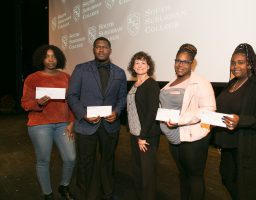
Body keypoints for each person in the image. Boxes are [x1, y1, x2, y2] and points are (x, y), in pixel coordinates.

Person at [213, 43, 256, 200]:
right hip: (229, 145)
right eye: (233, 63)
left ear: (250, 64)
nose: (235, 66)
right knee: (227, 178)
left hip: (248, 148)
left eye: (240, 62)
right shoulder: (232, 84)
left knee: (247, 188)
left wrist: (241, 120)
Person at [67, 37, 127, 200]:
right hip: (86, 125)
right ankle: (86, 193)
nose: (101, 49)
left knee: (108, 159)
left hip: (110, 125)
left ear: (110, 50)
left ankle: (107, 190)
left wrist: (117, 112)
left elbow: (122, 98)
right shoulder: (81, 69)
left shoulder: (119, 72)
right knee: (86, 162)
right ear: (94, 49)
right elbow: (72, 95)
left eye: (104, 47)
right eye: (98, 47)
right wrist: (83, 114)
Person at [159, 43, 216, 200]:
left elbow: (209, 109)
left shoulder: (201, 82)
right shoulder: (170, 84)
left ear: (192, 63)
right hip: (175, 138)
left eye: (185, 61)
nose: (180, 64)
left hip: (193, 139)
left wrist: (179, 120)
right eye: (177, 60)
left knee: (195, 177)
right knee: (183, 175)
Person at [21, 45, 76, 200]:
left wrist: (72, 121)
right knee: (43, 160)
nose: (51, 59)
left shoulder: (66, 77)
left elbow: (71, 101)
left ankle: (64, 186)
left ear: (58, 58)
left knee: (70, 158)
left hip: (63, 124)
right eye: (47, 56)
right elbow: (25, 103)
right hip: (40, 124)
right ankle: (47, 193)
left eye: (53, 56)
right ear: (41, 59)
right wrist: (38, 103)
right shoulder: (32, 78)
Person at [127, 51, 161, 200]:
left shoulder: (151, 84)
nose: (139, 65)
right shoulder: (134, 84)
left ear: (148, 66)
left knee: (147, 174)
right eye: (137, 62)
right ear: (133, 66)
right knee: (137, 170)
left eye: (143, 63)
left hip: (146, 136)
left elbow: (152, 112)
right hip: (134, 134)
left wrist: (142, 136)